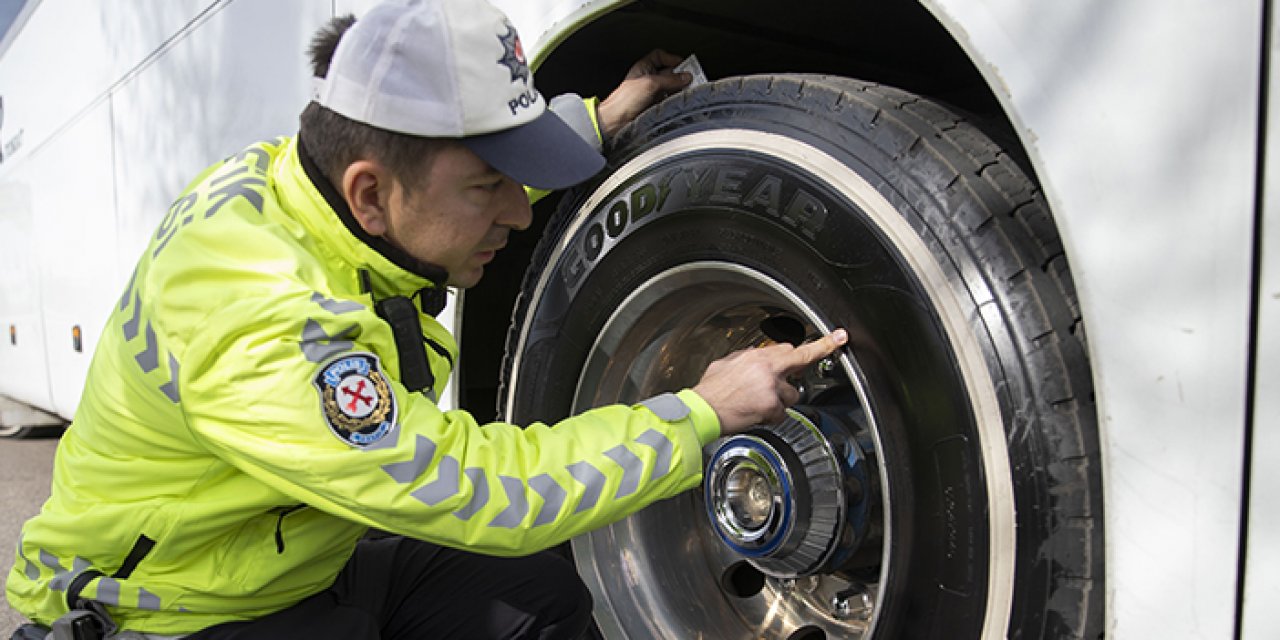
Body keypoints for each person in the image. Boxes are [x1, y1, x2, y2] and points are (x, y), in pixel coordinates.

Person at [5, 0, 847, 638]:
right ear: (371, 192)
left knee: (539, 595)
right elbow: (490, 489)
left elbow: (435, 180)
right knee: (507, 537)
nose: (518, 216)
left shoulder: (298, 183)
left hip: (282, 567)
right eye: (491, 189)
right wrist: (701, 415)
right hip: (169, 617)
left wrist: (585, 122)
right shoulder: (262, 327)